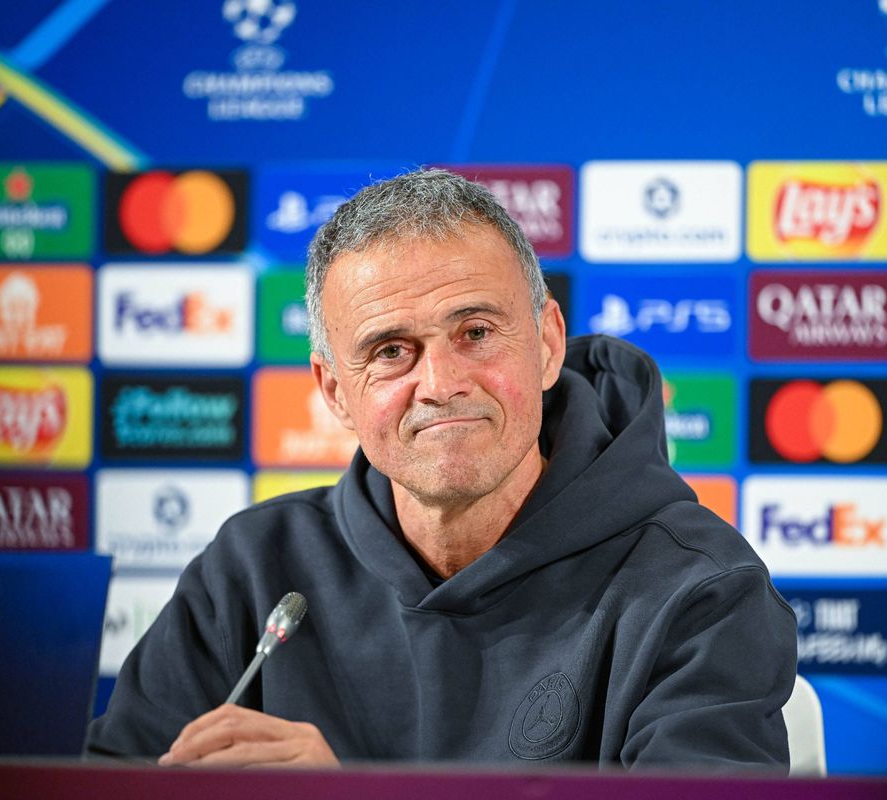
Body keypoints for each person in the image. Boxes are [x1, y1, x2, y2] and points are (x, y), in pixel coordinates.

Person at [85, 168, 797, 770]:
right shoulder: (251, 568)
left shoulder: (699, 589)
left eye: (476, 333)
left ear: (548, 345)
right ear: (335, 392)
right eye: (391, 351)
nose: (440, 384)